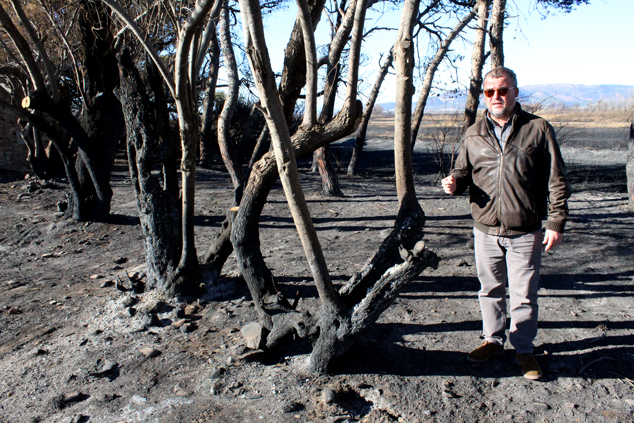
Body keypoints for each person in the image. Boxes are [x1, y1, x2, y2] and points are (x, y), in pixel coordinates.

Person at [441, 66, 571, 380]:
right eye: (490, 91)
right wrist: (454, 183)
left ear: (515, 92)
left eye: (503, 90)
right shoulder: (474, 132)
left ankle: (523, 350)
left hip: (525, 230)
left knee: (524, 294)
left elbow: (556, 180)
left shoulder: (538, 128)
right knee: (490, 290)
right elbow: (463, 171)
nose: (496, 96)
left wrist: (556, 221)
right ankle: (493, 340)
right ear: (484, 96)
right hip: (485, 229)